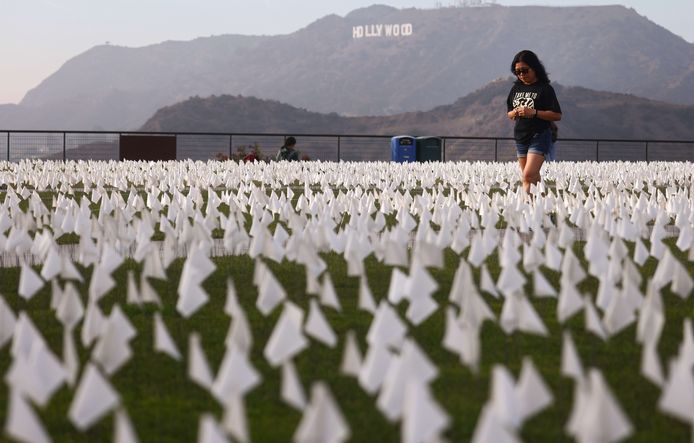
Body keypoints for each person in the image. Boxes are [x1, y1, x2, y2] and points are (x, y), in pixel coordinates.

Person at [507, 50, 562, 194]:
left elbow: (557, 115)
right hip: (520, 136)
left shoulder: (545, 89)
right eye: (517, 72)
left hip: (539, 135)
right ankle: (539, 209)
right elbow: (509, 113)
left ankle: (529, 207)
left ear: (535, 68)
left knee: (528, 175)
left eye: (525, 70)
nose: (521, 75)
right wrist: (515, 112)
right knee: (531, 178)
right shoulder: (516, 88)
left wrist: (534, 112)